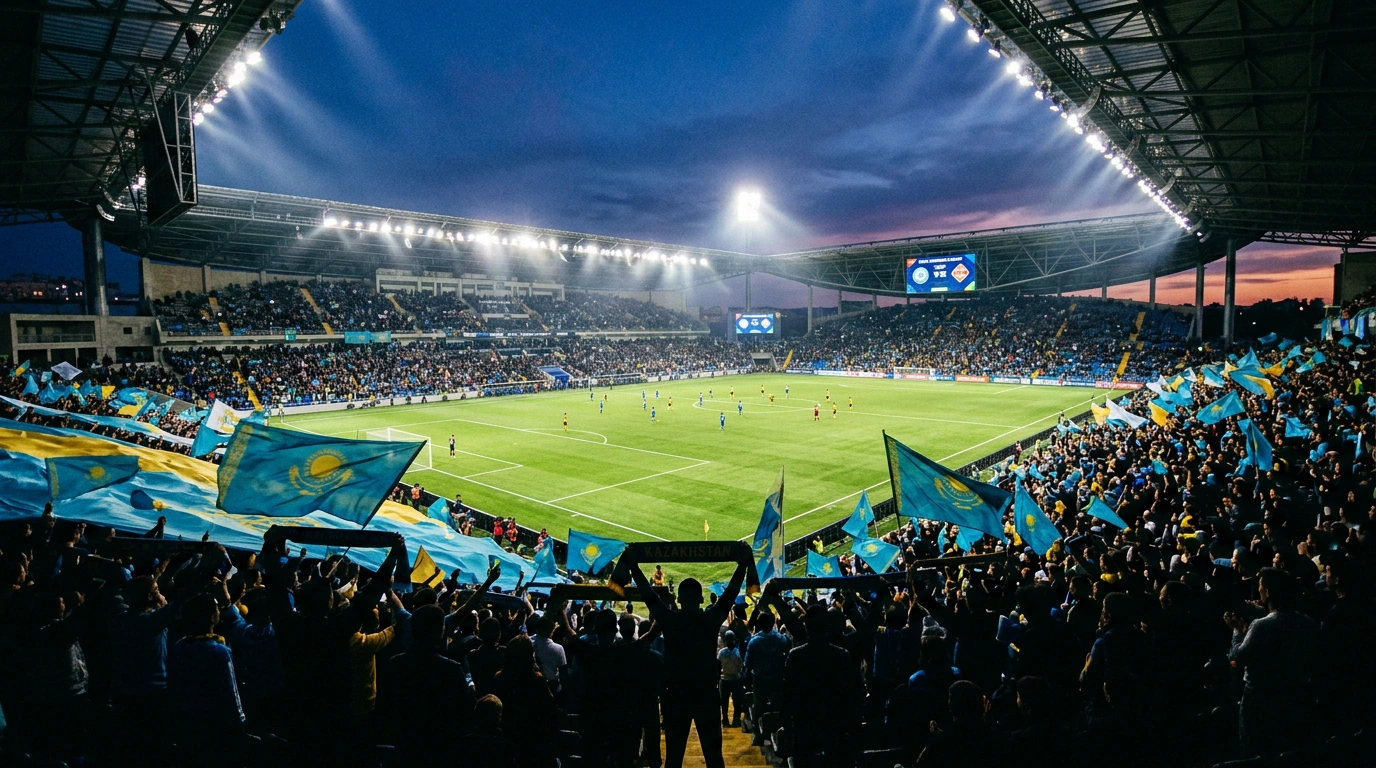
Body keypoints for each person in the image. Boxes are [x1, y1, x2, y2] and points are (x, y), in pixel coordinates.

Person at [629, 560, 748, 768]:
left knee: (673, 759)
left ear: (679, 599)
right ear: (701, 599)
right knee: (714, 758)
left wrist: (634, 568)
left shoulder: (670, 620)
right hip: (706, 695)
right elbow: (730, 594)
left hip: (677, 696)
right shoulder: (710, 620)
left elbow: (649, 596)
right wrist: (742, 565)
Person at [1227, 567, 1319, 757]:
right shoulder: (1307, 622)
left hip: (1260, 699)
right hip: (1295, 695)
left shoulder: (1261, 625)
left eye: (1260, 587)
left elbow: (1238, 657)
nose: (1258, 590)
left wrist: (1237, 633)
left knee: (1256, 751)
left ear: (1268, 592)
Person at [717, 631, 745, 727]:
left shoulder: (721, 652)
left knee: (724, 701)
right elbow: (742, 665)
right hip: (735, 679)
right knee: (736, 700)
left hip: (725, 679)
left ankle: (725, 719)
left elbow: (718, 665)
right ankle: (735, 719)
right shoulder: (738, 652)